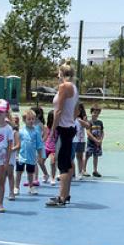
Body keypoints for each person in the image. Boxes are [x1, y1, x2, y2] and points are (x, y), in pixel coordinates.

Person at [46, 62, 79, 208]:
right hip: (69, 127)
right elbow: (76, 109)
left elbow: (57, 111)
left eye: (58, 72)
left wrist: (53, 130)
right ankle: (65, 195)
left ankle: (61, 198)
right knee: (68, 162)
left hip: (64, 129)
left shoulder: (64, 87)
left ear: (61, 73)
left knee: (63, 164)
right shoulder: (74, 87)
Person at [15, 110, 45, 196]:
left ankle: (31, 187)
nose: (31, 121)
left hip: (31, 157)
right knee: (19, 172)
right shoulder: (21, 131)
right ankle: (16, 187)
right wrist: (17, 154)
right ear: (24, 120)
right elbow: (18, 144)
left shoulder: (36, 132)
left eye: (33, 119)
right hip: (21, 156)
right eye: (29, 119)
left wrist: (39, 156)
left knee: (30, 173)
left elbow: (39, 145)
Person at [86, 105, 105, 177]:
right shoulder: (89, 122)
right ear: (91, 112)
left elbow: (102, 132)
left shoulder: (100, 122)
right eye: (94, 112)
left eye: (97, 113)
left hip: (98, 143)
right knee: (87, 155)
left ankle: (95, 170)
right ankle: (83, 170)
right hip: (91, 142)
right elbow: (88, 132)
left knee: (96, 156)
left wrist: (100, 140)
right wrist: (95, 140)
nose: (96, 114)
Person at [44, 110, 57, 186]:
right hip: (46, 147)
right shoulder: (46, 128)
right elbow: (44, 137)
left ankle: (53, 178)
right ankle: (46, 174)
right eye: (51, 118)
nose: (53, 120)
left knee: (52, 162)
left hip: (54, 148)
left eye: (54, 118)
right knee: (40, 161)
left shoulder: (58, 128)